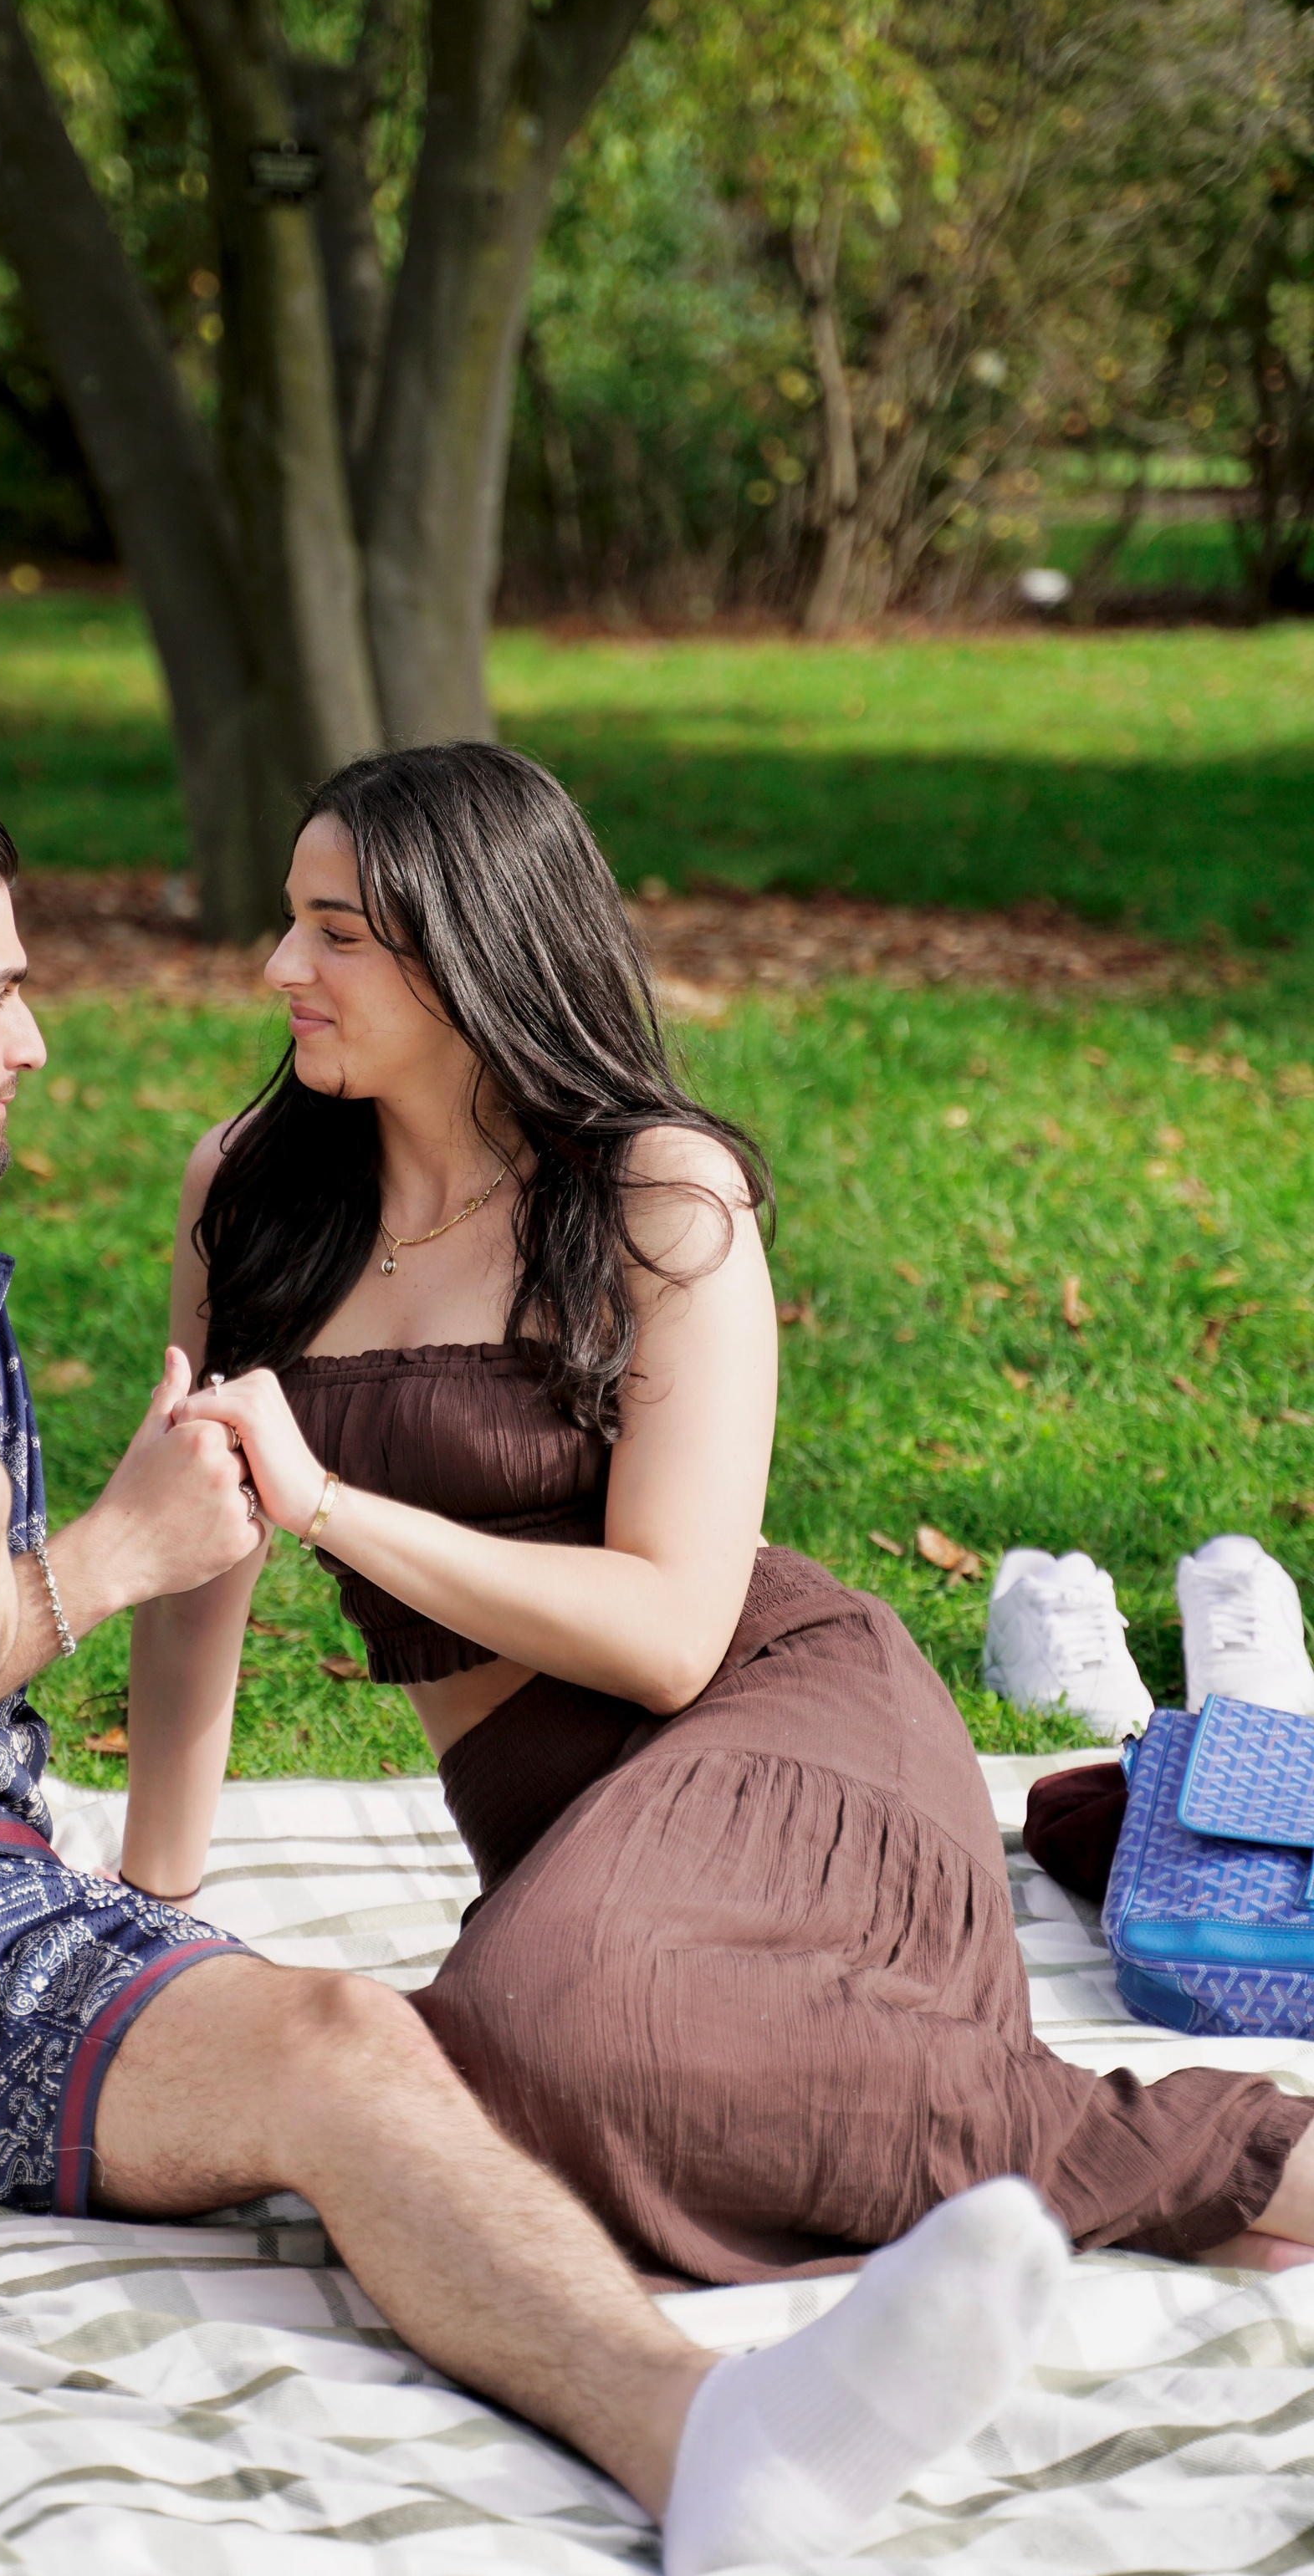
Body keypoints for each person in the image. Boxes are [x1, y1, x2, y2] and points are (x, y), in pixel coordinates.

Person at [0, 761, 1088, 2576]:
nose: (43, 1039)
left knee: (347, 2035)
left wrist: (141, 1890)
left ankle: (700, 2432)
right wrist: (98, 1563)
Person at [120, 740, 1314, 2290]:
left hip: (783, 1726)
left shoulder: (655, 1198)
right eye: (293, 918)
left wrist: (336, 1506)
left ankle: (1220, 2155)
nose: (283, 964)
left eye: (340, 932)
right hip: (561, 1826)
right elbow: (194, 1554)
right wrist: (153, 1898)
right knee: (496, 2082)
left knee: (547, 2050)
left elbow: (676, 1636)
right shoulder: (254, 1193)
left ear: (480, 950)